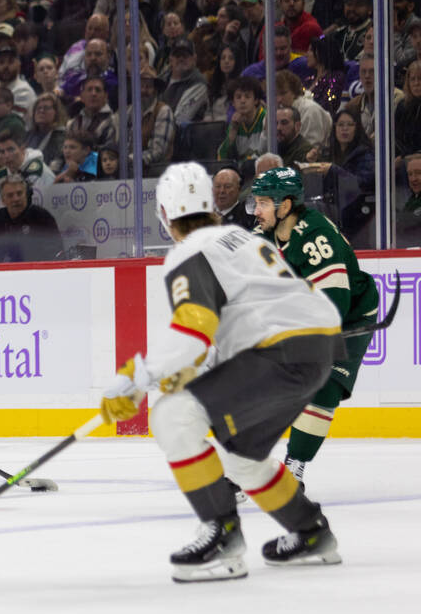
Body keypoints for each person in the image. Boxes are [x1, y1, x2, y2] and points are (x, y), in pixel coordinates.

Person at [100, 162, 344, 583]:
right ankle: (311, 532)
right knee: (240, 458)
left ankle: (222, 536)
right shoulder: (240, 239)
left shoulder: (188, 250)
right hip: (317, 348)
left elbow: (194, 330)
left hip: (279, 351)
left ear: (164, 216)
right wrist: (182, 372)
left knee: (171, 415)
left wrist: (138, 377)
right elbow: (230, 327)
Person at [250, 167, 379, 484]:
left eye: (263, 203)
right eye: (256, 202)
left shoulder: (315, 236)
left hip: (350, 317)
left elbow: (333, 307)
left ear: (286, 205)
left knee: (324, 386)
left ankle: (295, 467)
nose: (256, 211)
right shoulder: (261, 236)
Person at [0, 175, 63, 263]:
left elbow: (56, 253)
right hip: (5, 273)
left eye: (19, 193)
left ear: (26, 194)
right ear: (3, 200)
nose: (16, 199)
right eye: (10, 195)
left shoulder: (42, 217)